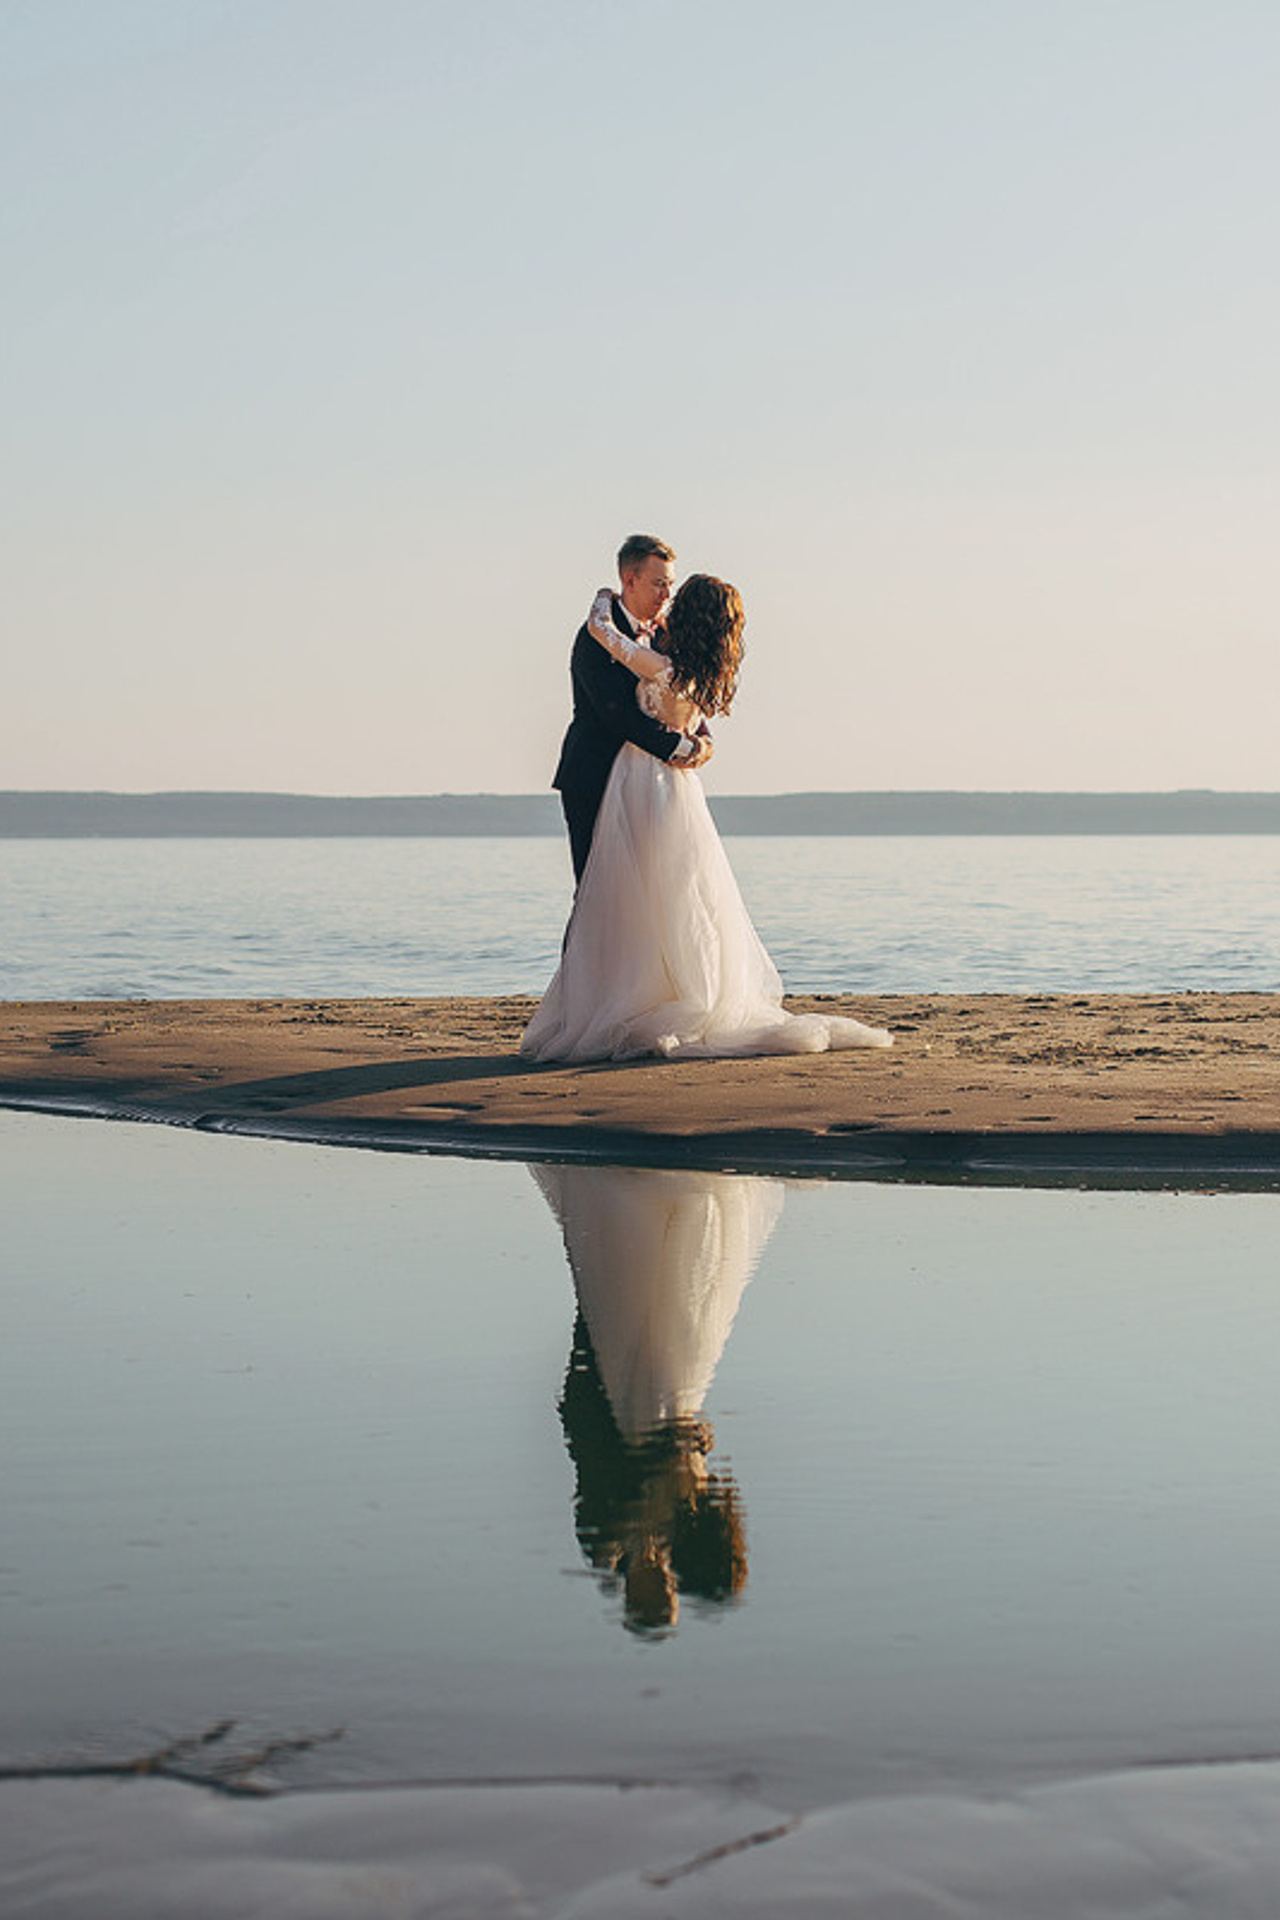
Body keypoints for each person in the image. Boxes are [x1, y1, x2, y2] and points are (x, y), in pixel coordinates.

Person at [522, 569, 893, 1061]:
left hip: (641, 783)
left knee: (637, 893)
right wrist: (696, 747)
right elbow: (695, 725)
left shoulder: (659, 664)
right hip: (679, 788)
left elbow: (605, 636)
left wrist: (601, 600)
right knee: (680, 893)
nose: (667, 598)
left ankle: (640, 993)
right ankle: (678, 987)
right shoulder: (698, 669)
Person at [552, 533, 711, 886]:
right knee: (600, 892)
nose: (666, 595)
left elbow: (683, 698)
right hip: (595, 776)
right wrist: (679, 748)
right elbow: (617, 714)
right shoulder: (595, 637)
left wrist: (701, 738)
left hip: (654, 783)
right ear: (630, 580)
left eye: (670, 584)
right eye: (658, 584)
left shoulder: (667, 637)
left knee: (658, 889)